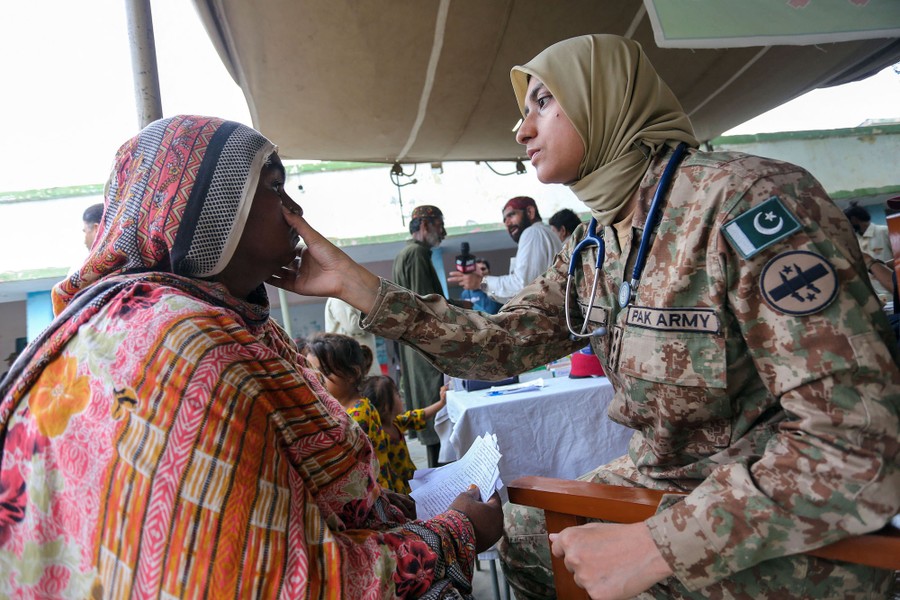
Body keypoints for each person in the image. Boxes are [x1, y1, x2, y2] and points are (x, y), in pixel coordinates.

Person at [270, 35, 900, 600]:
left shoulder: (744, 201)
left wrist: (659, 544)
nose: (521, 130)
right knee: (514, 529)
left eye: (542, 101)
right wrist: (361, 288)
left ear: (607, 100)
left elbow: (858, 442)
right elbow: (496, 345)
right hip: (664, 485)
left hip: (775, 518)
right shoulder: (597, 243)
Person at [0, 115, 502, 598]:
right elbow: (276, 582)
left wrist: (375, 505)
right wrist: (455, 534)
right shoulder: (184, 341)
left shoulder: (222, 321)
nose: (294, 210)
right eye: (273, 187)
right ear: (213, 203)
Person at [304, 332, 400, 490]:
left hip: (375, 492)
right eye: (310, 373)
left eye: (323, 373)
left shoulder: (357, 414)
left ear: (352, 374)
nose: (314, 380)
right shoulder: (351, 406)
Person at [391, 204, 448, 467]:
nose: (443, 232)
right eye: (439, 225)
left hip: (416, 349)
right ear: (425, 226)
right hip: (426, 349)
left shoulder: (410, 253)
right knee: (436, 411)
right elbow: (429, 307)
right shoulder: (416, 254)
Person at [448, 196, 561, 303]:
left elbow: (523, 285)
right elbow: (515, 296)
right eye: (504, 220)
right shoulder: (547, 234)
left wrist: (480, 282)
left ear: (530, 212)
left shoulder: (532, 232)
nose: (507, 223)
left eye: (511, 215)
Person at [361, 375, 447, 494]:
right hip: (399, 490)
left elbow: (418, 416)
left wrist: (441, 403)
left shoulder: (396, 422)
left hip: (411, 480)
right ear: (386, 407)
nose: (400, 397)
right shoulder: (380, 437)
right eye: (396, 394)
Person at [844, 202, 893, 304]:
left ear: (853, 220)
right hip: (876, 297)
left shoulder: (884, 231)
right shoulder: (855, 240)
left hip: (893, 291)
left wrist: (882, 265)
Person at [324, 296, 382, 375]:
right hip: (354, 363)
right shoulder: (339, 299)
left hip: (360, 361)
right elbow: (353, 326)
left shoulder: (345, 297)